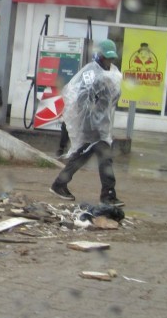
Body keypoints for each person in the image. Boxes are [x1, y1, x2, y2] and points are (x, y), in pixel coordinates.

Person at [50, 38, 124, 207]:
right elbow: (82, 97)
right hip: (91, 123)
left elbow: (113, 97)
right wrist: (91, 117)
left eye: (111, 58)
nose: (109, 61)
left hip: (101, 122)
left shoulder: (111, 71)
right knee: (104, 157)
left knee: (82, 156)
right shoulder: (90, 72)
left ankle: (59, 184)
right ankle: (108, 195)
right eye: (106, 57)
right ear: (99, 55)